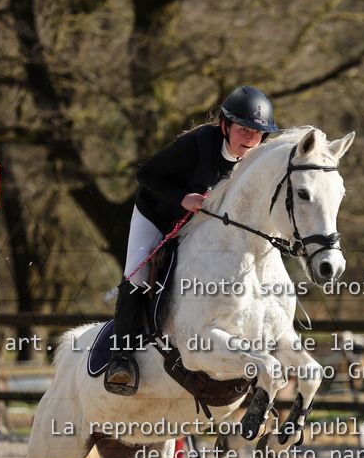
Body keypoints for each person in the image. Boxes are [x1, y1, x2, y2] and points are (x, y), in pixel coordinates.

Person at [104, 86, 279, 395]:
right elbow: (146, 175)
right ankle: (121, 359)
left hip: (199, 225)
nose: (251, 139)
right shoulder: (197, 145)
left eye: (257, 133)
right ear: (225, 126)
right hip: (157, 214)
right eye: (243, 130)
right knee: (138, 277)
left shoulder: (255, 161)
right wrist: (182, 198)